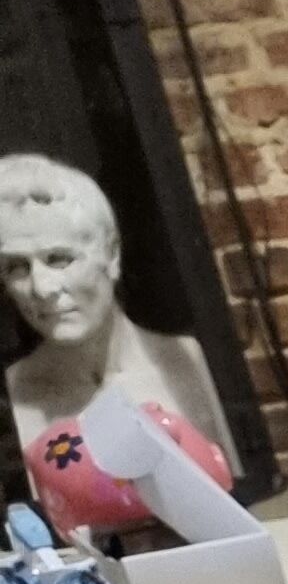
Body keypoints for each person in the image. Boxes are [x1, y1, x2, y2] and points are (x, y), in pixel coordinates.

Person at [0, 156, 232, 474]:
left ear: (111, 255)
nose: (42, 288)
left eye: (59, 259)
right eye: (16, 267)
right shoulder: (14, 396)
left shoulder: (188, 363)